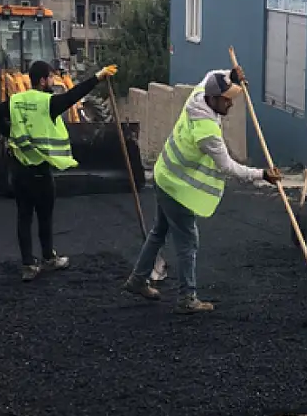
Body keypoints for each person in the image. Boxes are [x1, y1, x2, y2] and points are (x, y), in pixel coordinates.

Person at [122, 68, 284, 314]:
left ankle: (137, 280)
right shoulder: (206, 131)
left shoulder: (198, 95)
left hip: (164, 173)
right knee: (188, 240)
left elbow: (211, 73)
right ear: (214, 99)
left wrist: (230, 73)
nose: (231, 103)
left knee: (159, 231)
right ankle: (187, 297)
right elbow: (228, 167)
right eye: (227, 98)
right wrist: (262, 174)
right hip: (175, 186)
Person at [0, 60, 119, 281]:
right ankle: (48, 258)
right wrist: (97, 78)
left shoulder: (16, 101)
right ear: (42, 80)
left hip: (19, 169)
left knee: (23, 217)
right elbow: (73, 96)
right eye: (50, 77)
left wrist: (10, 134)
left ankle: (28, 265)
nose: (52, 81)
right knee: (45, 216)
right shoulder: (47, 103)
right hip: (40, 170)